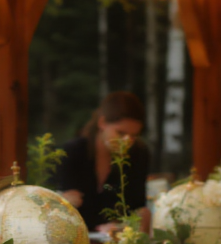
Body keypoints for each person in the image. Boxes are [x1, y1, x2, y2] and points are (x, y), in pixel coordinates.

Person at [53, 92, 151, 233]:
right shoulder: (74, 152)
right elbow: (51, 203)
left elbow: (136, 206)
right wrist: (62, 200)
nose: (127, 141)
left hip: (114, 239)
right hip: (72, 236)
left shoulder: (138, 154)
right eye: (121, 133)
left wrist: (122, 225)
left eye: (134, 136)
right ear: (102, 123)